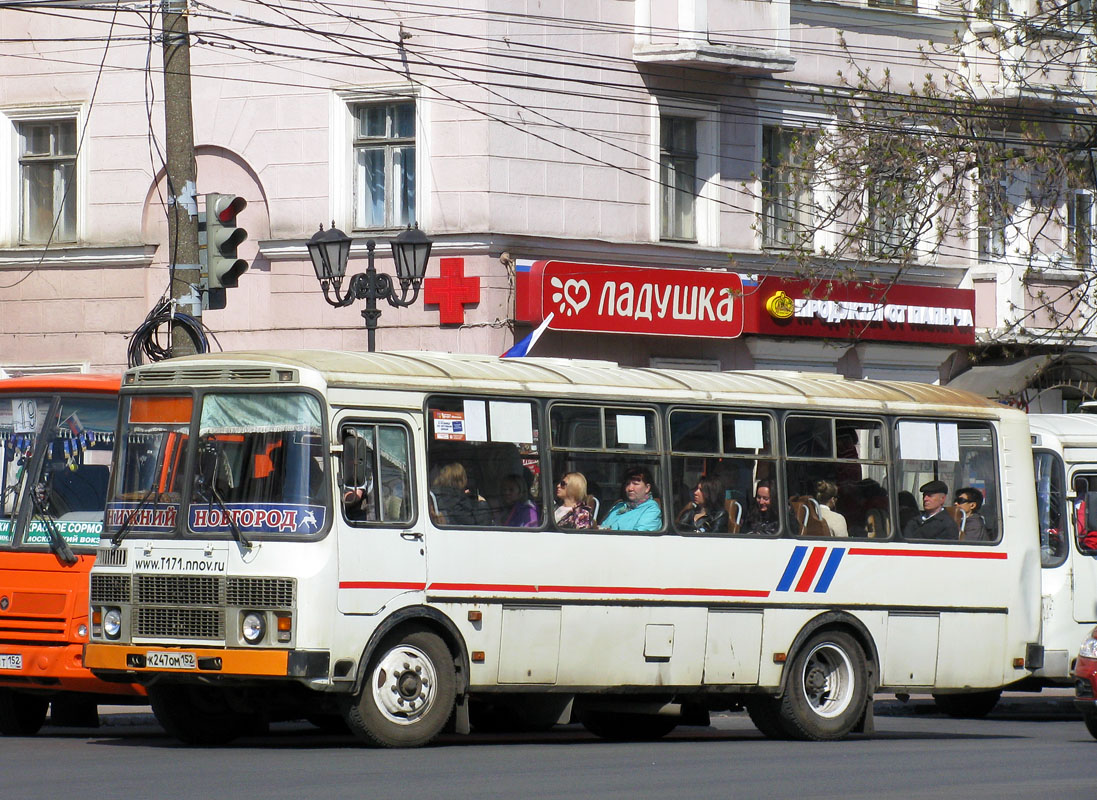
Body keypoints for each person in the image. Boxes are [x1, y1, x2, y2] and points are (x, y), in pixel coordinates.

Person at [600, 467, 662, 531]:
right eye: (627, 484)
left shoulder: (652, 509)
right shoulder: (619, 506)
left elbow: (641, 536)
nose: (630, 488)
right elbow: (603, 527)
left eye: (635, 484)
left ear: (647, 488)